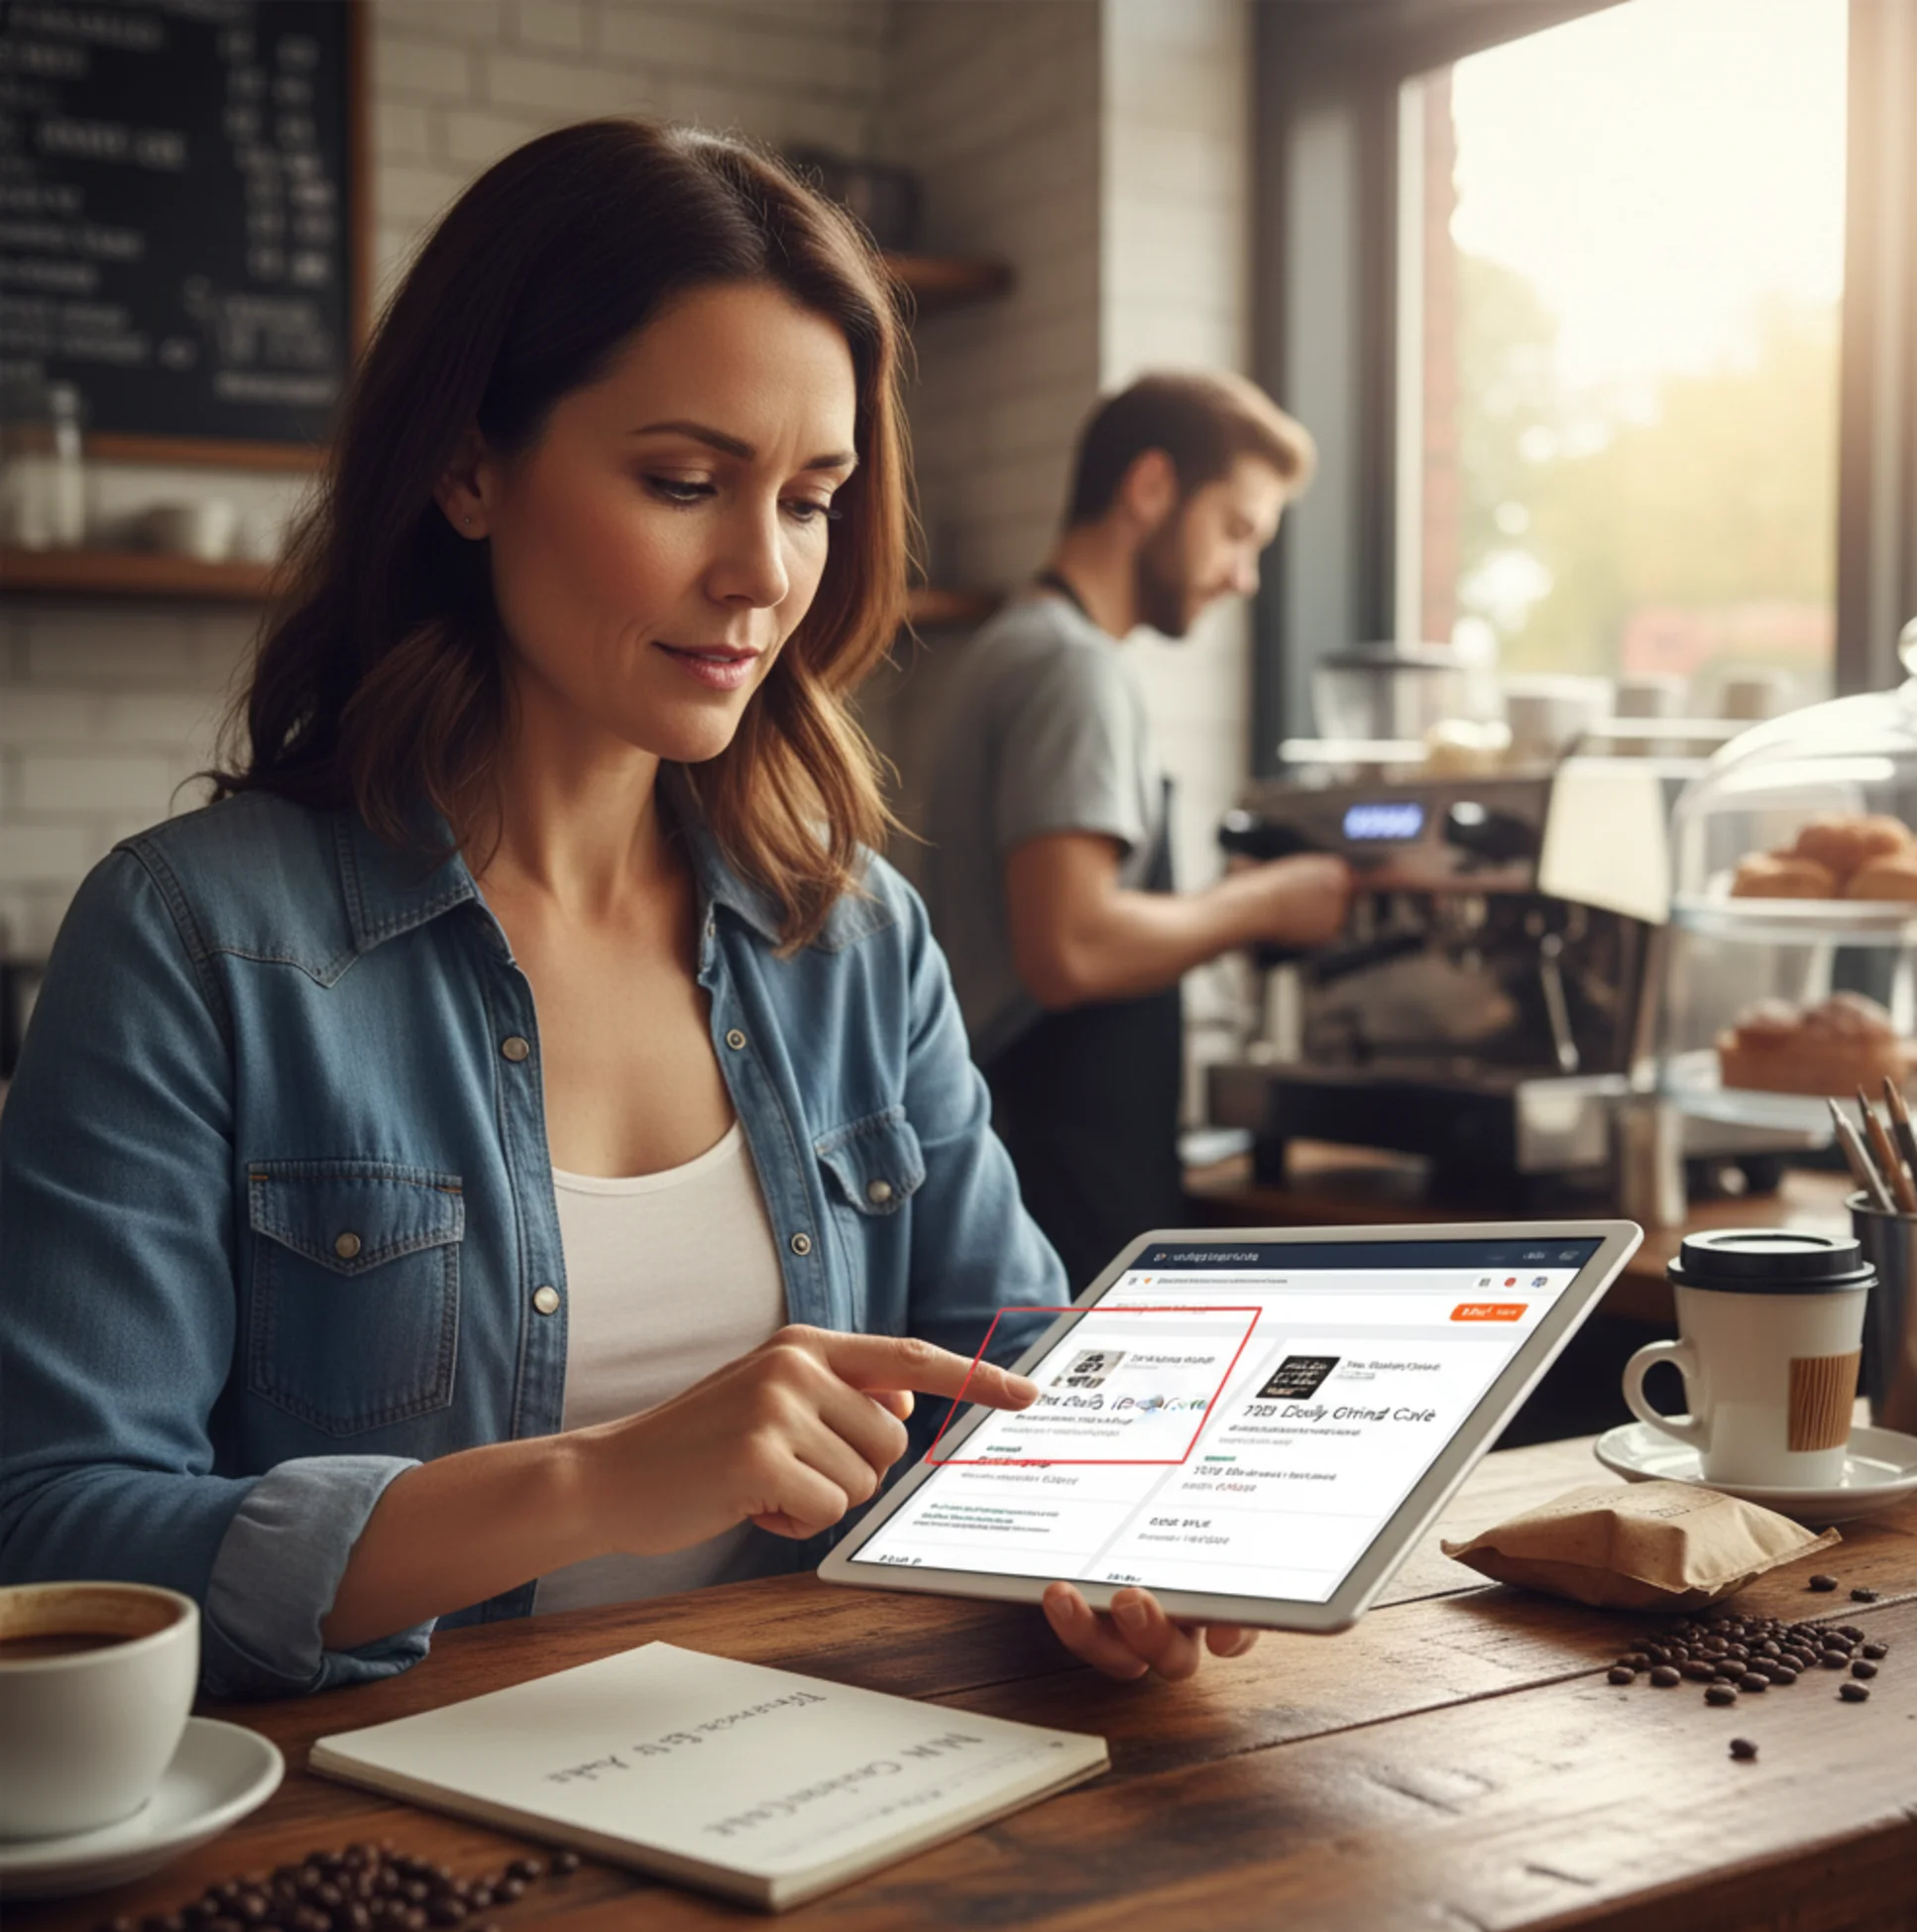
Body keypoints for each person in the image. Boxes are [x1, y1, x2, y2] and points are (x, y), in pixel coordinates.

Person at [0, 124, 1258, 1692]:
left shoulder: (857, 939)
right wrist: (598, 1480)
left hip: (824, 1786)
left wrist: (1123, 1539)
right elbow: (51, 1534)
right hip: (391, 1846)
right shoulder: (196, 943)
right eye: (683, 482)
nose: (760, 574)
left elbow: (1020, 1385)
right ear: (468, 465)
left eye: (812, 499)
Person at [923, 375, 1352, 1292]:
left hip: (1022, 1148)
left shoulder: (1010, 646)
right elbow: (1069, 948)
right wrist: (1266, 902)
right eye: (1237, 530)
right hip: (1058, 1173)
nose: (1244, 575)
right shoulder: (1073, 671)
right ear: (1151, 488)